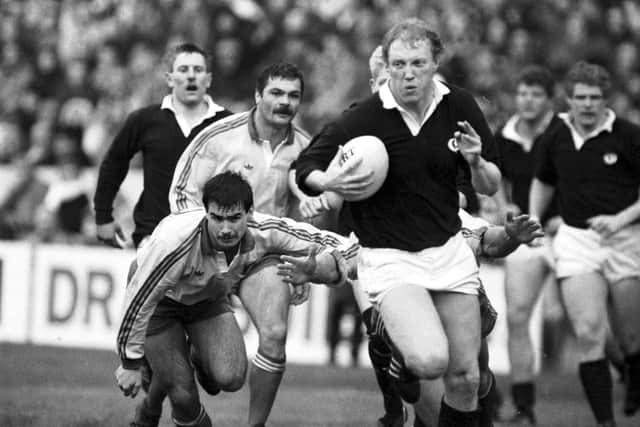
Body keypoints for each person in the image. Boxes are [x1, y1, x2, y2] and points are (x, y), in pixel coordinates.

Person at [295, 18, 501, 426]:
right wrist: (328, 181)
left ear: (435, 62)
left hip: (447, 252)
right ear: (386, 66)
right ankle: (388, 337)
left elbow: (490, 185)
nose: (408, 73)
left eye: (418, 63)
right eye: (399, 64)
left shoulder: (458, 106)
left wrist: (477, 161)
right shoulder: (365, 118)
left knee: (465, 378)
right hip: (390, 258)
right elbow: (307, 167)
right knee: (429, 361)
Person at [115, 171, 359, 427]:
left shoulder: (265, 229)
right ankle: (151, 405)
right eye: (217, 218)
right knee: (184, 396)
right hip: (160, 305)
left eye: (234, 218)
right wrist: (129, 361)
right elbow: (139, 297)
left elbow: (345, 247)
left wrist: (317, 268)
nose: (226, 229)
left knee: (231, 377)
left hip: (206, 301)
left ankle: (193, 355)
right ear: (205, 211)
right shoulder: (174, 240)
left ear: (250, 213)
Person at [168, 62, 331, 427]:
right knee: (220, 378)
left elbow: (303, 216)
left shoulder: (307, 151)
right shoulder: (218, 136)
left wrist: (305, 261)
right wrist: (198, 246)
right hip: (210, 256)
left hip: (263, 258)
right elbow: (182, 193)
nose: (284, 102)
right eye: (276, 93)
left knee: (274, 333)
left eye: (293, 96)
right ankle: (187, 374)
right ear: (258, 96)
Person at [529, 61, 640, 427]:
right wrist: (534, 219)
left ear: (605, 100)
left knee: (631, 334)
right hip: (576, 240)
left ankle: (633, 370)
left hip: (626, 240)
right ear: (569, 99)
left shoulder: (627, 134)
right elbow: (543, 180)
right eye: (581, 97)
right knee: (590, 331)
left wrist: (620, 219)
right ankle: (604, 423)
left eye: (595, 97)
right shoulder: (556, 135)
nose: (588, 104)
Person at [93, 43, 233, 249]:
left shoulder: (228, 124)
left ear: (208, 79)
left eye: (198, 70)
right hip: (153, 236)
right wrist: (103, 216)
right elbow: (114, 163)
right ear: (169, 78)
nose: (191, 76)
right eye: (183, 70)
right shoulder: (144, 120)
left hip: (210, 240)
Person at [492, 65, 561, 424]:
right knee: (517, 317)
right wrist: (504, 207)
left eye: (535, 94)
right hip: (529, 238)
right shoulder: (503, 137)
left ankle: (629, 368)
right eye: (523, 93)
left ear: (550, 100)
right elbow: (492, 180)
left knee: (597, 326)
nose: (527, 100)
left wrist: (569, 213)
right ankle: (524, 409)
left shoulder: (567, 132)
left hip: (572, 234)